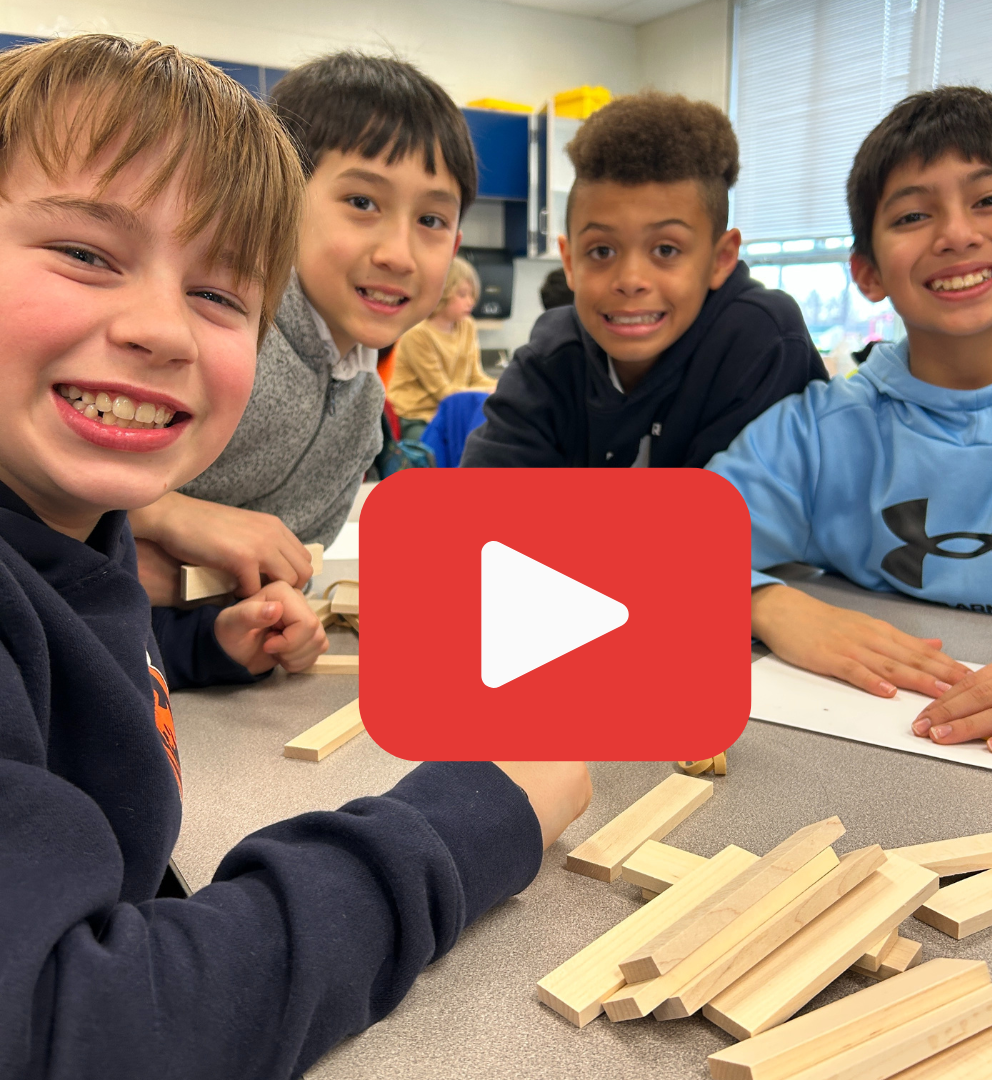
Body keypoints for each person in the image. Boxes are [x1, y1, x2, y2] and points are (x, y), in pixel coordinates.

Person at [0, 35, 591, 1078]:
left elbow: (65, 649)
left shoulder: (67, 532)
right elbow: (83, 1031)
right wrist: (469, 821)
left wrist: (199, 643)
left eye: (222, 294)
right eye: (87, 254)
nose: (161, 329)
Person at [706, 86, 992, 755]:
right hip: (866, 754)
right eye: (912, 215)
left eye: (989, 200)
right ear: (868, 272)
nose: (957, 233)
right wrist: (763, 603)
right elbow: (668, 550)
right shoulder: (821, 433)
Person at [129, 51, 478, 605]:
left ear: (456, 246)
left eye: (431, 220)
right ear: (280, 201)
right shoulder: (209, 333)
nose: (398, 254)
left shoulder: (364, 408)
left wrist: (262, 622)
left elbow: (279, 577)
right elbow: (42, 484)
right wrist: (167, 512)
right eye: (362, 202)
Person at [460, 91, 826, 469]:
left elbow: (732, 520)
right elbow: (481, 509)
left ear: (721, 259)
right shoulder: (552, 357)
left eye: (666, 250)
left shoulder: (762, 341)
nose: (631, 280)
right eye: (602, 251)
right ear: (569, 261)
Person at [386, 255, 496, 441]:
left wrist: (500, 386)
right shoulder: (417, 333)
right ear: (442, 292)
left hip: (452, 410)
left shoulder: (467, 326)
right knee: (433, 456)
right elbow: (442, 391)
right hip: (416, 417)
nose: (471, 301)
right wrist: (485, 393)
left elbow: (475, 377)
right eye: (462, 295)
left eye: (472, 294)